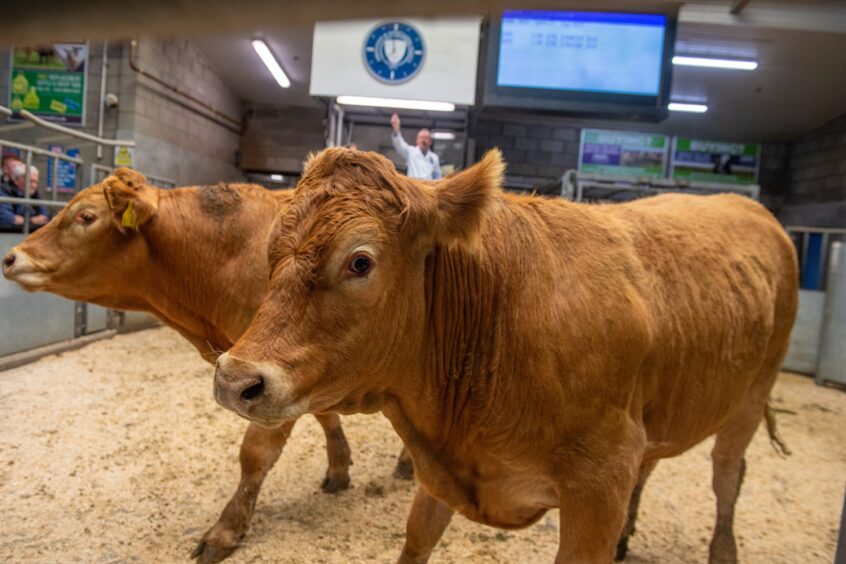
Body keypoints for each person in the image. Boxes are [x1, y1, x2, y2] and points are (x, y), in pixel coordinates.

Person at [389, 113, 442, 180]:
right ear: (417, 140)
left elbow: (437, 175)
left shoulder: (434, 157)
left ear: (430, 142)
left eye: (426, 138)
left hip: (428, 188)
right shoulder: (410, 152)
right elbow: (399, 144)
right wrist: (396, 129)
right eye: (421, 137)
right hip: (413, 187)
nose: (424, 140)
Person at [0, 161, 50, 230]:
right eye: (30, 181)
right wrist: (31, 220)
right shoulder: (4, 191)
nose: (34, 185)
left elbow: (45, 216)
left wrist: (22, 220)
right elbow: (6, 219)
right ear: (16, 180)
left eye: (36, 182)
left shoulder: (34, 193)